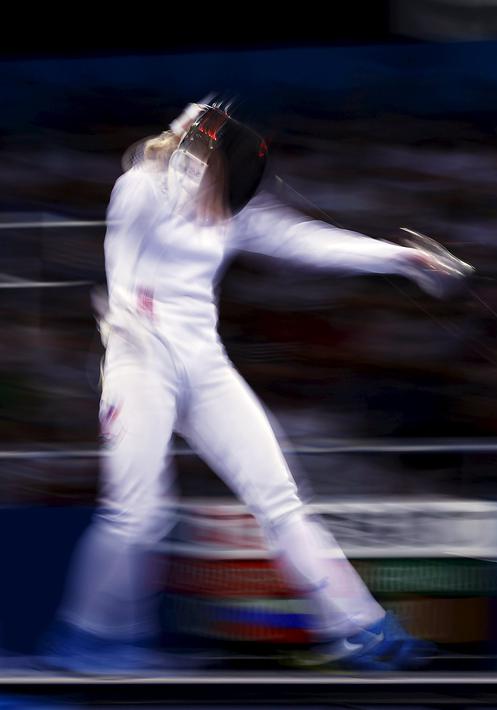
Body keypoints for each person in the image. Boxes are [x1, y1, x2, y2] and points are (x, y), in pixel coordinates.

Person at [42, 98, 472, 672]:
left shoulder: (233, 207)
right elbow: (128, 231)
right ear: (206, 163)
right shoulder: (143, 188)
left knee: (281, 499)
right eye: (222, 188)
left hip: (204, 364)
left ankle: (361, 629)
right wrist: (190, 132)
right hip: (138, 359)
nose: (225, 210)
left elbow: (308, 240)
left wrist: (403, 259)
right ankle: (89, 636)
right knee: (138, 512)